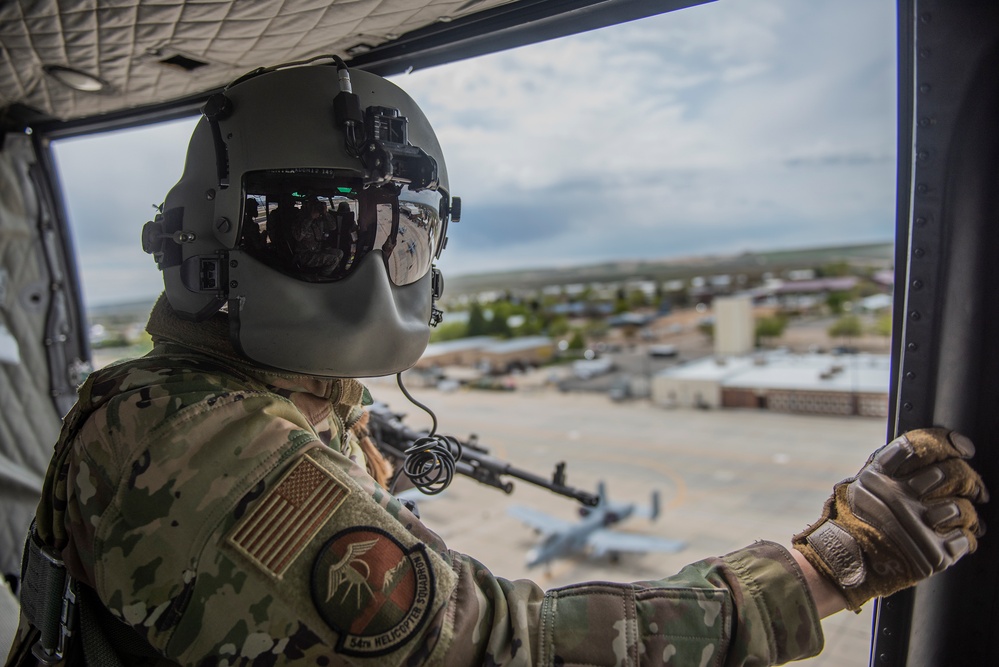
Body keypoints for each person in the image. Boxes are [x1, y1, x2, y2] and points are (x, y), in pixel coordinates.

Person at [6, 58, 987, 667]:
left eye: (408, 234)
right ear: (204, 242)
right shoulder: (210, 450)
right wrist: (824, 570)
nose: (377, 272)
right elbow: (502, 648)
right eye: (317, 228)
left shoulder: (149, 398)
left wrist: (345, 441)